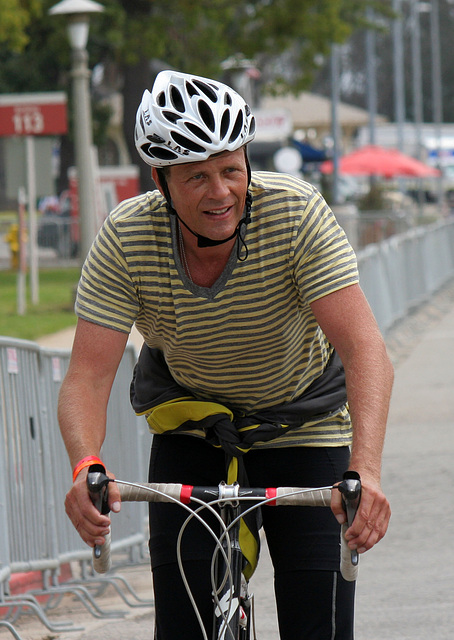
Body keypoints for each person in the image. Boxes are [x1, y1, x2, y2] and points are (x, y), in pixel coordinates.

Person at [59, 70, 393, 640]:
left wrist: (365, 469)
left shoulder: (295, 214)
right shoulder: (127, 237)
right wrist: (85, 464)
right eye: (197, 177)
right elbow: (88, 376)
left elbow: (365, 352)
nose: (220, 192)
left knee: (319, 622)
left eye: (231, 170)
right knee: (184, 626)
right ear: (161, 182)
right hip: (197, 433)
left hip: (304, 428)